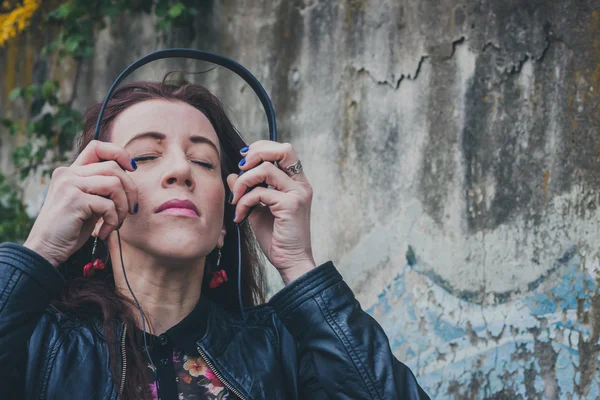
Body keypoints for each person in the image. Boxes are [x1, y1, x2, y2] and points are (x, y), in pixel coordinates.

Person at [0, 78, 429, 399]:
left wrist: (298, 263)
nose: (181, 170)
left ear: (226, 217)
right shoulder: (40, 341)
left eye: (203, 161)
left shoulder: (284, 351)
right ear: (96, 200)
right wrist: (40, 250)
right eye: (147, 156)